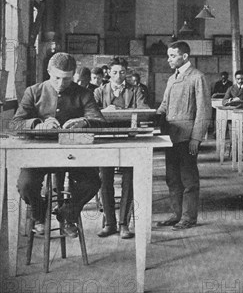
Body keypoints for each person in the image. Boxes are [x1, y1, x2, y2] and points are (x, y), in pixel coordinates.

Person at [10, 52, 105, 238]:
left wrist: (84, 122)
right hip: (40, 155)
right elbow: (14, 124)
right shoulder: (34, 91)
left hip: (73, 154)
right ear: (48, 71)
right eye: (57, 78)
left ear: (74, 75)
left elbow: (99, 122)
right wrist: (38, 124)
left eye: (67, 79)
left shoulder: (84, 93)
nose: (61, 84)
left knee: (93, 182)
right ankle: (39, 213)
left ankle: (67, 213)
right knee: (26, 185)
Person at [156, 41, 212, 230]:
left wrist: (196, 138)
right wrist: (152, 118)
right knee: (172, 177)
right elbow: (164, 105)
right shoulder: (172, 78)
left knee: (188, 179)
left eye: (172, 56)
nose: (168, 59)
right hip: (170, 136)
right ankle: (177, 214)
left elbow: (204, 111)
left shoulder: (198, 77)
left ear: (185, 56)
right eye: (168, 55)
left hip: (187, 137)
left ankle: (189, 217)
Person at [94, 57, 149, 238]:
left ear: (127, 73)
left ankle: (124, 223)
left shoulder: (135, 91)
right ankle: (110, 223)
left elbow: (142, 111)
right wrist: (105, 112)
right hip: (105, 140)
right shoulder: (99, 92)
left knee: (129, 180)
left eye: (122, 72)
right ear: (108, 73)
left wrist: (120, 113)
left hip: (128, 140)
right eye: (115, 72)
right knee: (105, 180)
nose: (118, 76)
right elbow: (91, 114)